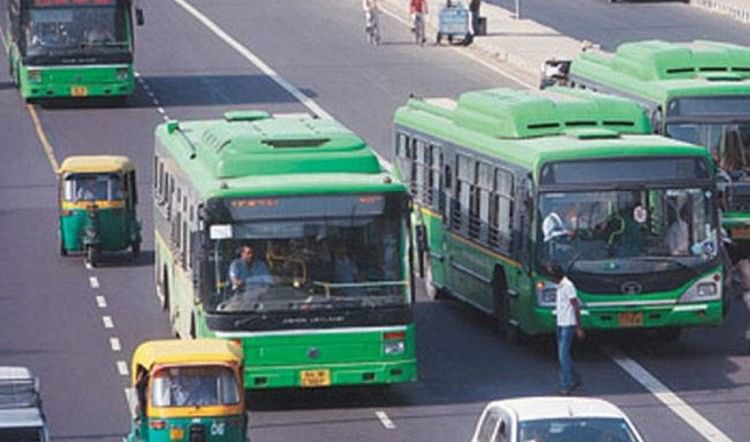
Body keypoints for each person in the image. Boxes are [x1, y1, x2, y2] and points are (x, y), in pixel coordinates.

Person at [548, 262, 584, 395]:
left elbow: (576, 306)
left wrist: (579, 327)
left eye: (551, 275)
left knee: (562, 356)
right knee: (565, 355)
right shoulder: (559, 286)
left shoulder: (568, 286)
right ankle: (575, 377)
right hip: (560, 323)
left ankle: (566, 385)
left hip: (568, 325)